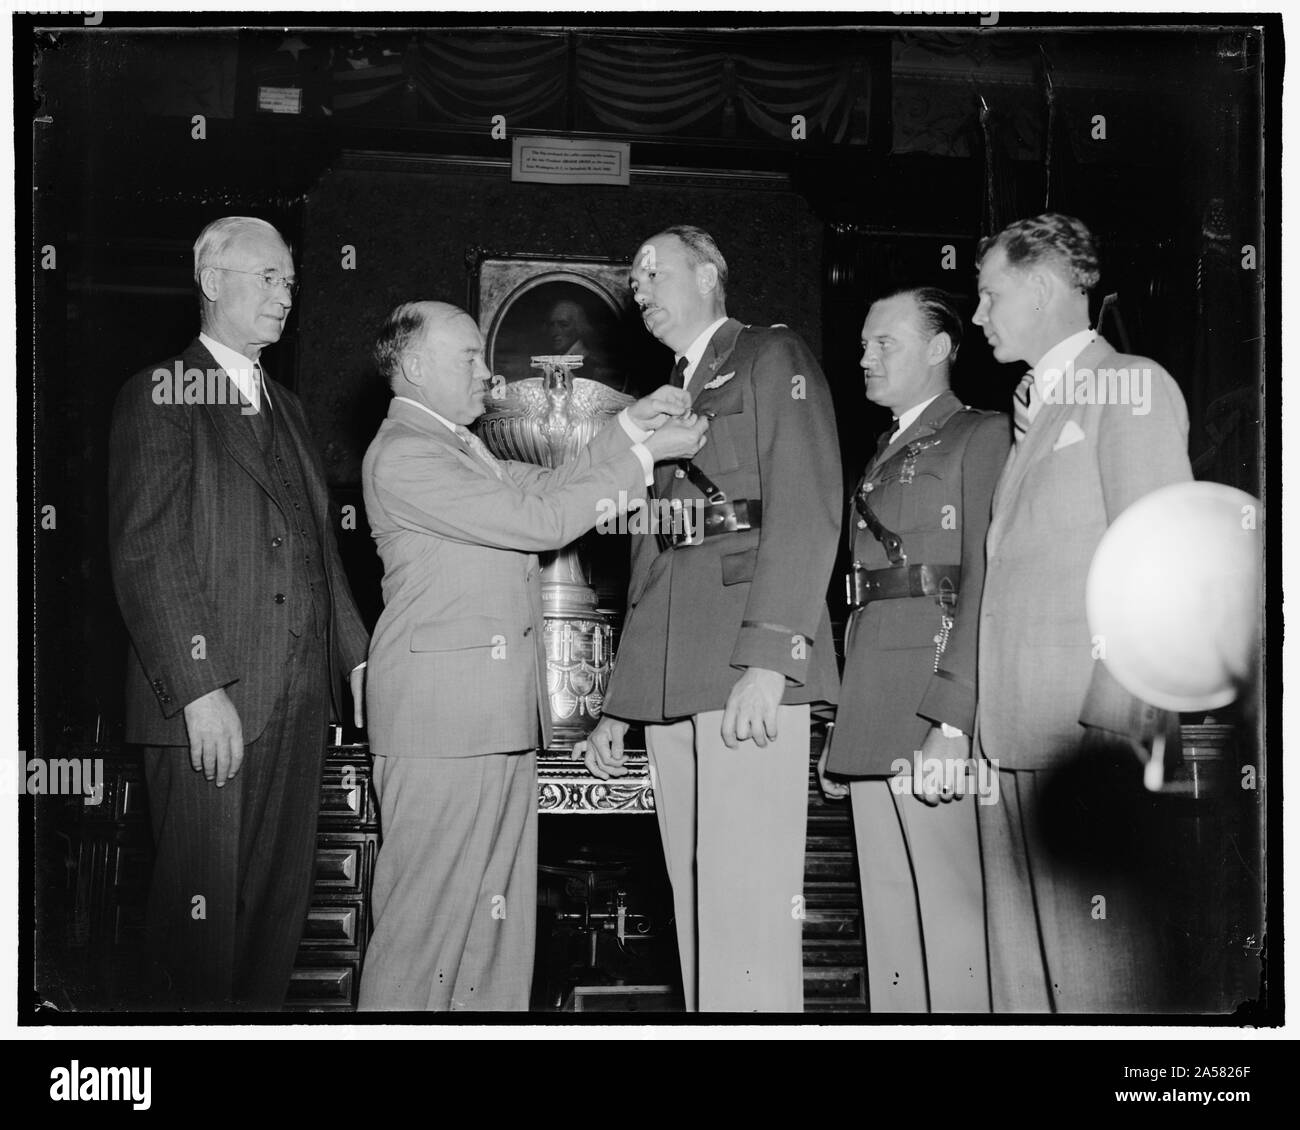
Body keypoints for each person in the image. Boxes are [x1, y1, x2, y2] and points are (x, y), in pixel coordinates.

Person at [357, 300, 707, 1011]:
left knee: (493, 939)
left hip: (489, 722)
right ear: (415, 368)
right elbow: (540, 521)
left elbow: (546, 486)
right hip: (442, 728)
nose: (487, 373)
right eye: (468, 359)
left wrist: (630, 428)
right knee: (422, 936)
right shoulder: (405, 453)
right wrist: (645, 459)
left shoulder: (460, 445)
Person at [108, 216, 369, 1010]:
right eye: (268, 278)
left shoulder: (285, 405)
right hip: (211, 706)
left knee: (272, 929)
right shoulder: (163, 391)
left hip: (295, 706)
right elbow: (147, 552)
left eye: (290, 282)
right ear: (213, 282)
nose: (285, 296)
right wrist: (198, 688)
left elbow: (320, 555)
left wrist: (356, 661)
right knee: (200, 934)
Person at [581, 226, 842, 1012]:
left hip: (742, 661)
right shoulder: (664, 398)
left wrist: (771, 661)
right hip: (673, 676)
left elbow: (806, 509)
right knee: (696, 902)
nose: (642, 288)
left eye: (656, 270)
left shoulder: (771, 356)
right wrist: (622, 707)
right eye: (634, 278)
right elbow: (654, 555)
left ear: (712, 273)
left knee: (751, 903)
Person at [968, 212, 1193, 1012]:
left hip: (1087, 737)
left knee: (1100, 986)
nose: (978, 314)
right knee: (1023, 988)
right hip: (1013, 734)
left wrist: (1117, 725)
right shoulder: (1033, 414)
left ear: (1037, 288)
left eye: (990, 295)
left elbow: (1160, 561)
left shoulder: (1127, 386)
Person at [818, 287, 1010, 1012]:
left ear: (938, 349)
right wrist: (847, 721)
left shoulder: (980, 436)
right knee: (892, 931)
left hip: (932, 708)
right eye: (863, 344)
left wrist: (954, 723)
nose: (864, 357)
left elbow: (984, 583)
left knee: (953, 925)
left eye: (884, 343)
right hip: (877, 710)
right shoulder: (881, 452)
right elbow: (868, 600)